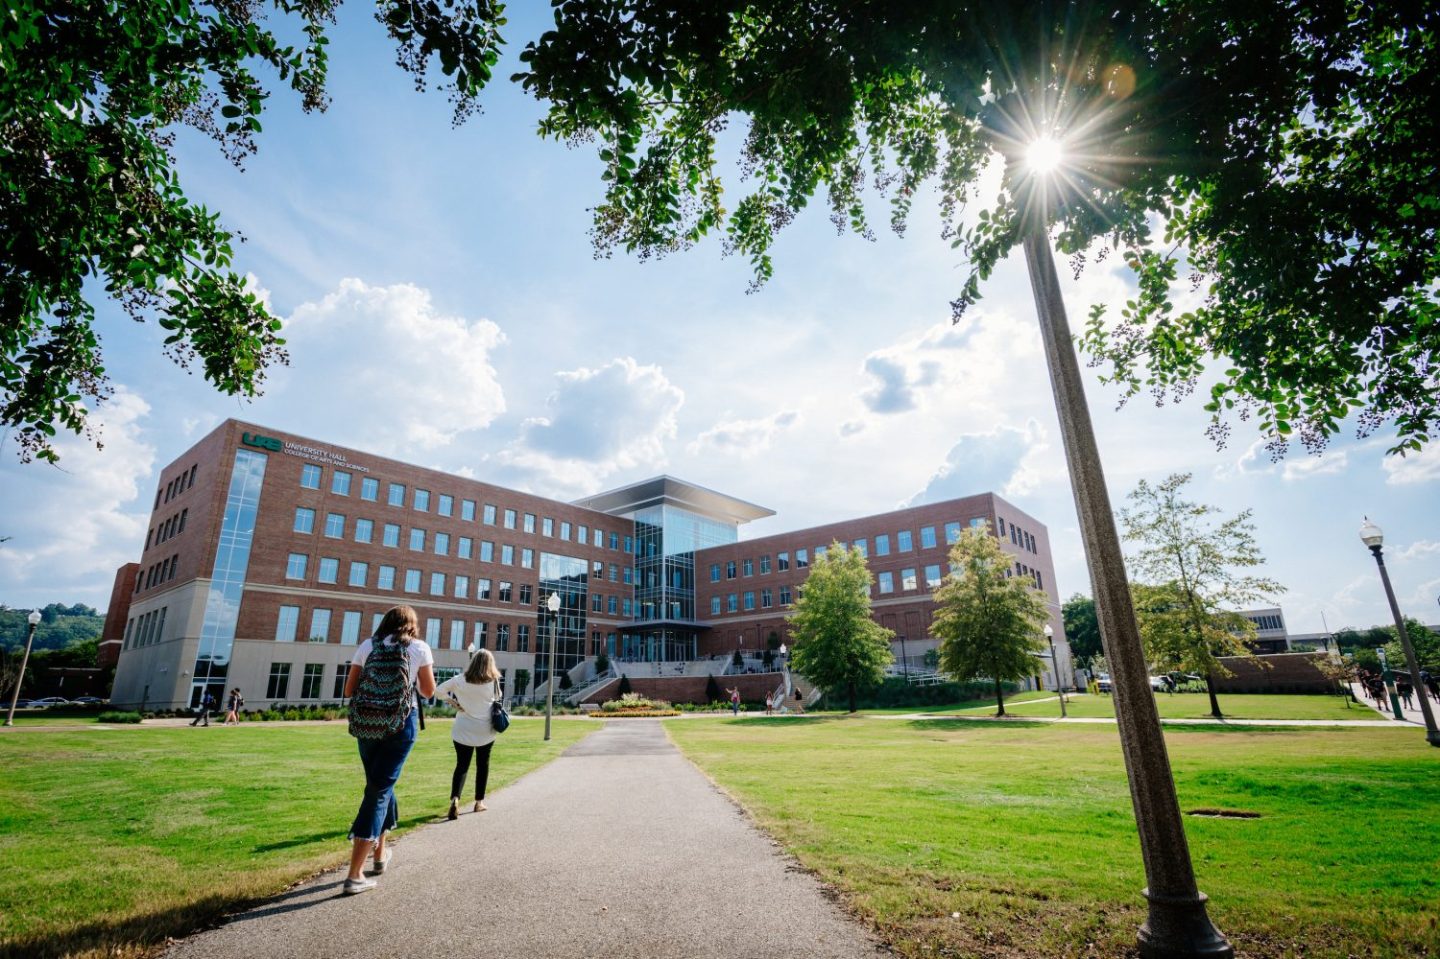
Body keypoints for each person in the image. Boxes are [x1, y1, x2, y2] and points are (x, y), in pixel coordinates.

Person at [342, 605, 435, 896]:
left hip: (367, 724)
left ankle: (380, 854)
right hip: (401, 723)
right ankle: (355, 874)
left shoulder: (368, 645)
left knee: (380, 784)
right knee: (379, 789)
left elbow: (349, 690)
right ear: (412, 625)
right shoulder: (419, 648)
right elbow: (429, 691)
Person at [436, 648, 501, 820]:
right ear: (490, 664)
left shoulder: (459, 680)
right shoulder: (493, 681)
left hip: (463, 728)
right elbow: (498, 697)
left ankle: (455, 799)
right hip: (485, 729)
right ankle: (479, 802)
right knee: (483, 765)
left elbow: (438, 690)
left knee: (462, 765)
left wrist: (453, 702)